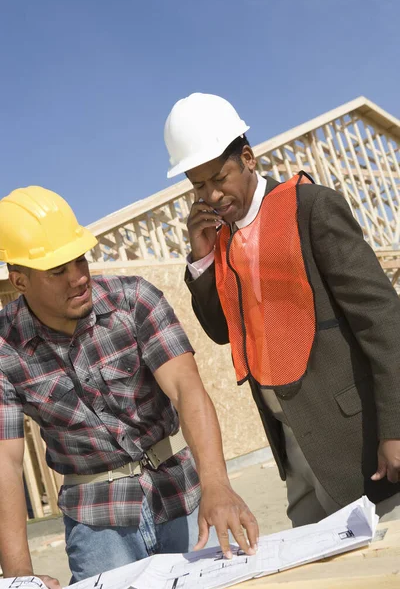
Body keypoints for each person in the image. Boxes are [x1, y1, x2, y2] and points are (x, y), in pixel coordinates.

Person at [0, 185, 258, 586]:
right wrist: (18, 578)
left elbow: (187, 389)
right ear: (19, 281)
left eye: (79, 260)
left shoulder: (135, 300)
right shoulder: (4, 350)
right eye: (57, 271)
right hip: (96, 522)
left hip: (179, 497)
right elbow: (6, 463)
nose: (78, 278)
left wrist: (218, 485)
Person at [163, 92, 400, 528]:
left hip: (356, 440)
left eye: (220, 177)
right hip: (292, 446)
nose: (212, 194)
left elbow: (383, 320)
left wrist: (396, 427)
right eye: (199, 185)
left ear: (249, 158)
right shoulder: (220, 240)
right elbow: (221, 331)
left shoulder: (311, 208)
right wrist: (201, 260)